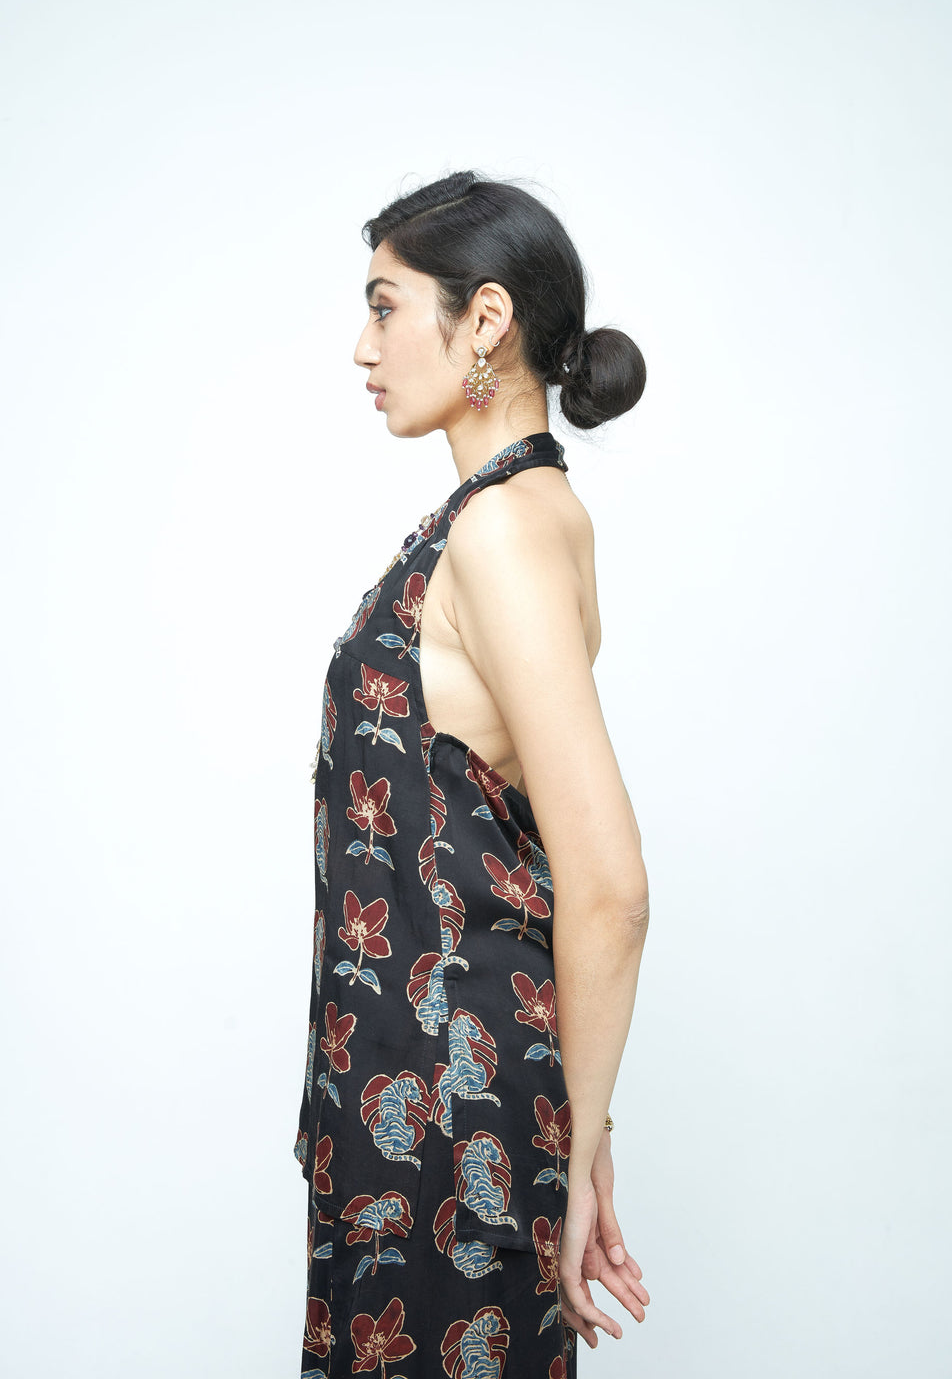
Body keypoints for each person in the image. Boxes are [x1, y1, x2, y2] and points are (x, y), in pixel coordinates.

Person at [294, 170, 651, 1377]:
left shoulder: (503, 528)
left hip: (448, 1122)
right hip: (432, 1099)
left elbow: (607, 883)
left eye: (385, 306)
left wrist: (578, 1142)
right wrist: (576, 1124)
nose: (364, 346)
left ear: (484, 319)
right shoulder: (515, 514)